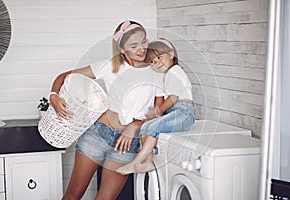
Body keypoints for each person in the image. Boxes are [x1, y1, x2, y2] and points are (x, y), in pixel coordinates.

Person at [49, 20, 164, 200]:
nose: (141, 49)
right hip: (98, 134)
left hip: (127, 144)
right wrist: (54, 96)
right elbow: (64, 76)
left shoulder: (156, 71)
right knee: (73, 196)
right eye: (134, 45)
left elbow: (158, 113)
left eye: (144, 42)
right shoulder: (109, 67)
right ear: (122, 49)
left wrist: (135, 125)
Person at [116, 38, 196, 175]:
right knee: (147, 126)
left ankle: (136, 162)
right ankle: (148, 162)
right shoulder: (167, 75)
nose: (156, 62)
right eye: (152, 61)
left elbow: (173, 98)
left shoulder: (175, 72)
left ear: (171, 54)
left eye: (159, 57)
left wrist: (158, 111)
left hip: (184, 112)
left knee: (151, 126)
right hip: (176, 112)